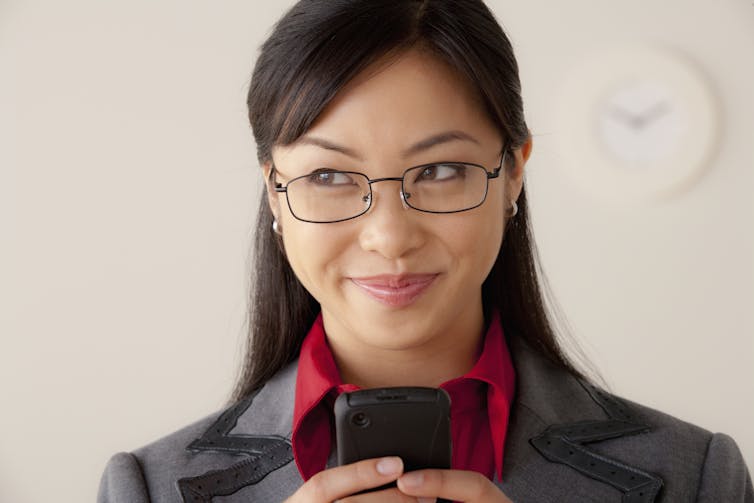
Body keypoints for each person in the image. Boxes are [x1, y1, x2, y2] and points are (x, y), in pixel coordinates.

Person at [97, 1, 753, 502]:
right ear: (274, 190)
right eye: (329, 176)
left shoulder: (695, 475)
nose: (389, 235)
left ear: (514, 173)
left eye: (440, 170)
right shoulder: (150, 486)